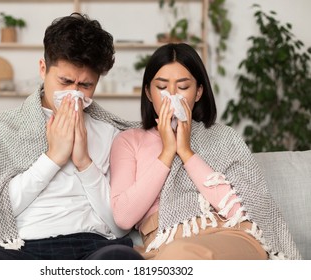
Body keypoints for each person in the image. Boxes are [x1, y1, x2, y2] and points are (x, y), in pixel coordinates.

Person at [0, 13, 142, 260]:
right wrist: (53, 158)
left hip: (93, 249)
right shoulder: (0, 128)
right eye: (65, 81)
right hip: (23, 252)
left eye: (85, 85)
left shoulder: (112, 133)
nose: (74, 94)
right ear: (43, 69)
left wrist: (84, 162)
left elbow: (119, 225)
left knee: (123, 258)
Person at [109, 43, 302, 260]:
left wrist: (185, 151)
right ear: (148, 92)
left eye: (183, 87)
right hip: (166, 247)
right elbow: (124, 217)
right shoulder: (129, 140)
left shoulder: (222, 136)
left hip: (232, 236)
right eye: (162, 87)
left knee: (181, 255)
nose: (172, 96)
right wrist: (167, 152)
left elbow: (240, 210)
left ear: (198, 92)